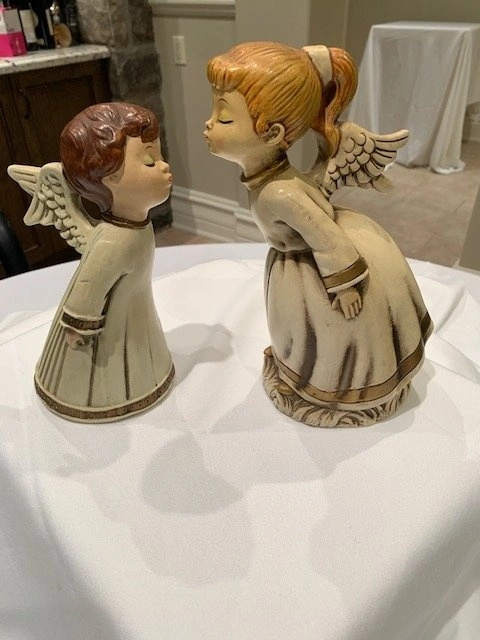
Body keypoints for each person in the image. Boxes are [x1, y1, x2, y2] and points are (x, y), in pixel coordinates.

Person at [204, 42, 433, 427]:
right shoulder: (274, 180)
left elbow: (327, 237)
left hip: (316, 269)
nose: (209, 124)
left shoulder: (279, 193)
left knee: (328, 342)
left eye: (224, 118)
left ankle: (334, 392)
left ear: (272, 132)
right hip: (297, 258)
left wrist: (344, 287)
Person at [23, 103, 174, 422]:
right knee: (100, 373)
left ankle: (144, 371)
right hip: (98, 344)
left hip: (134, 317)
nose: (164, 167)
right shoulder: (114, 241)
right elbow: (89, 286)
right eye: (149, 160)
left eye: (159, 156)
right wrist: (80, 328)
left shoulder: (136, 227)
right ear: (110, 177)